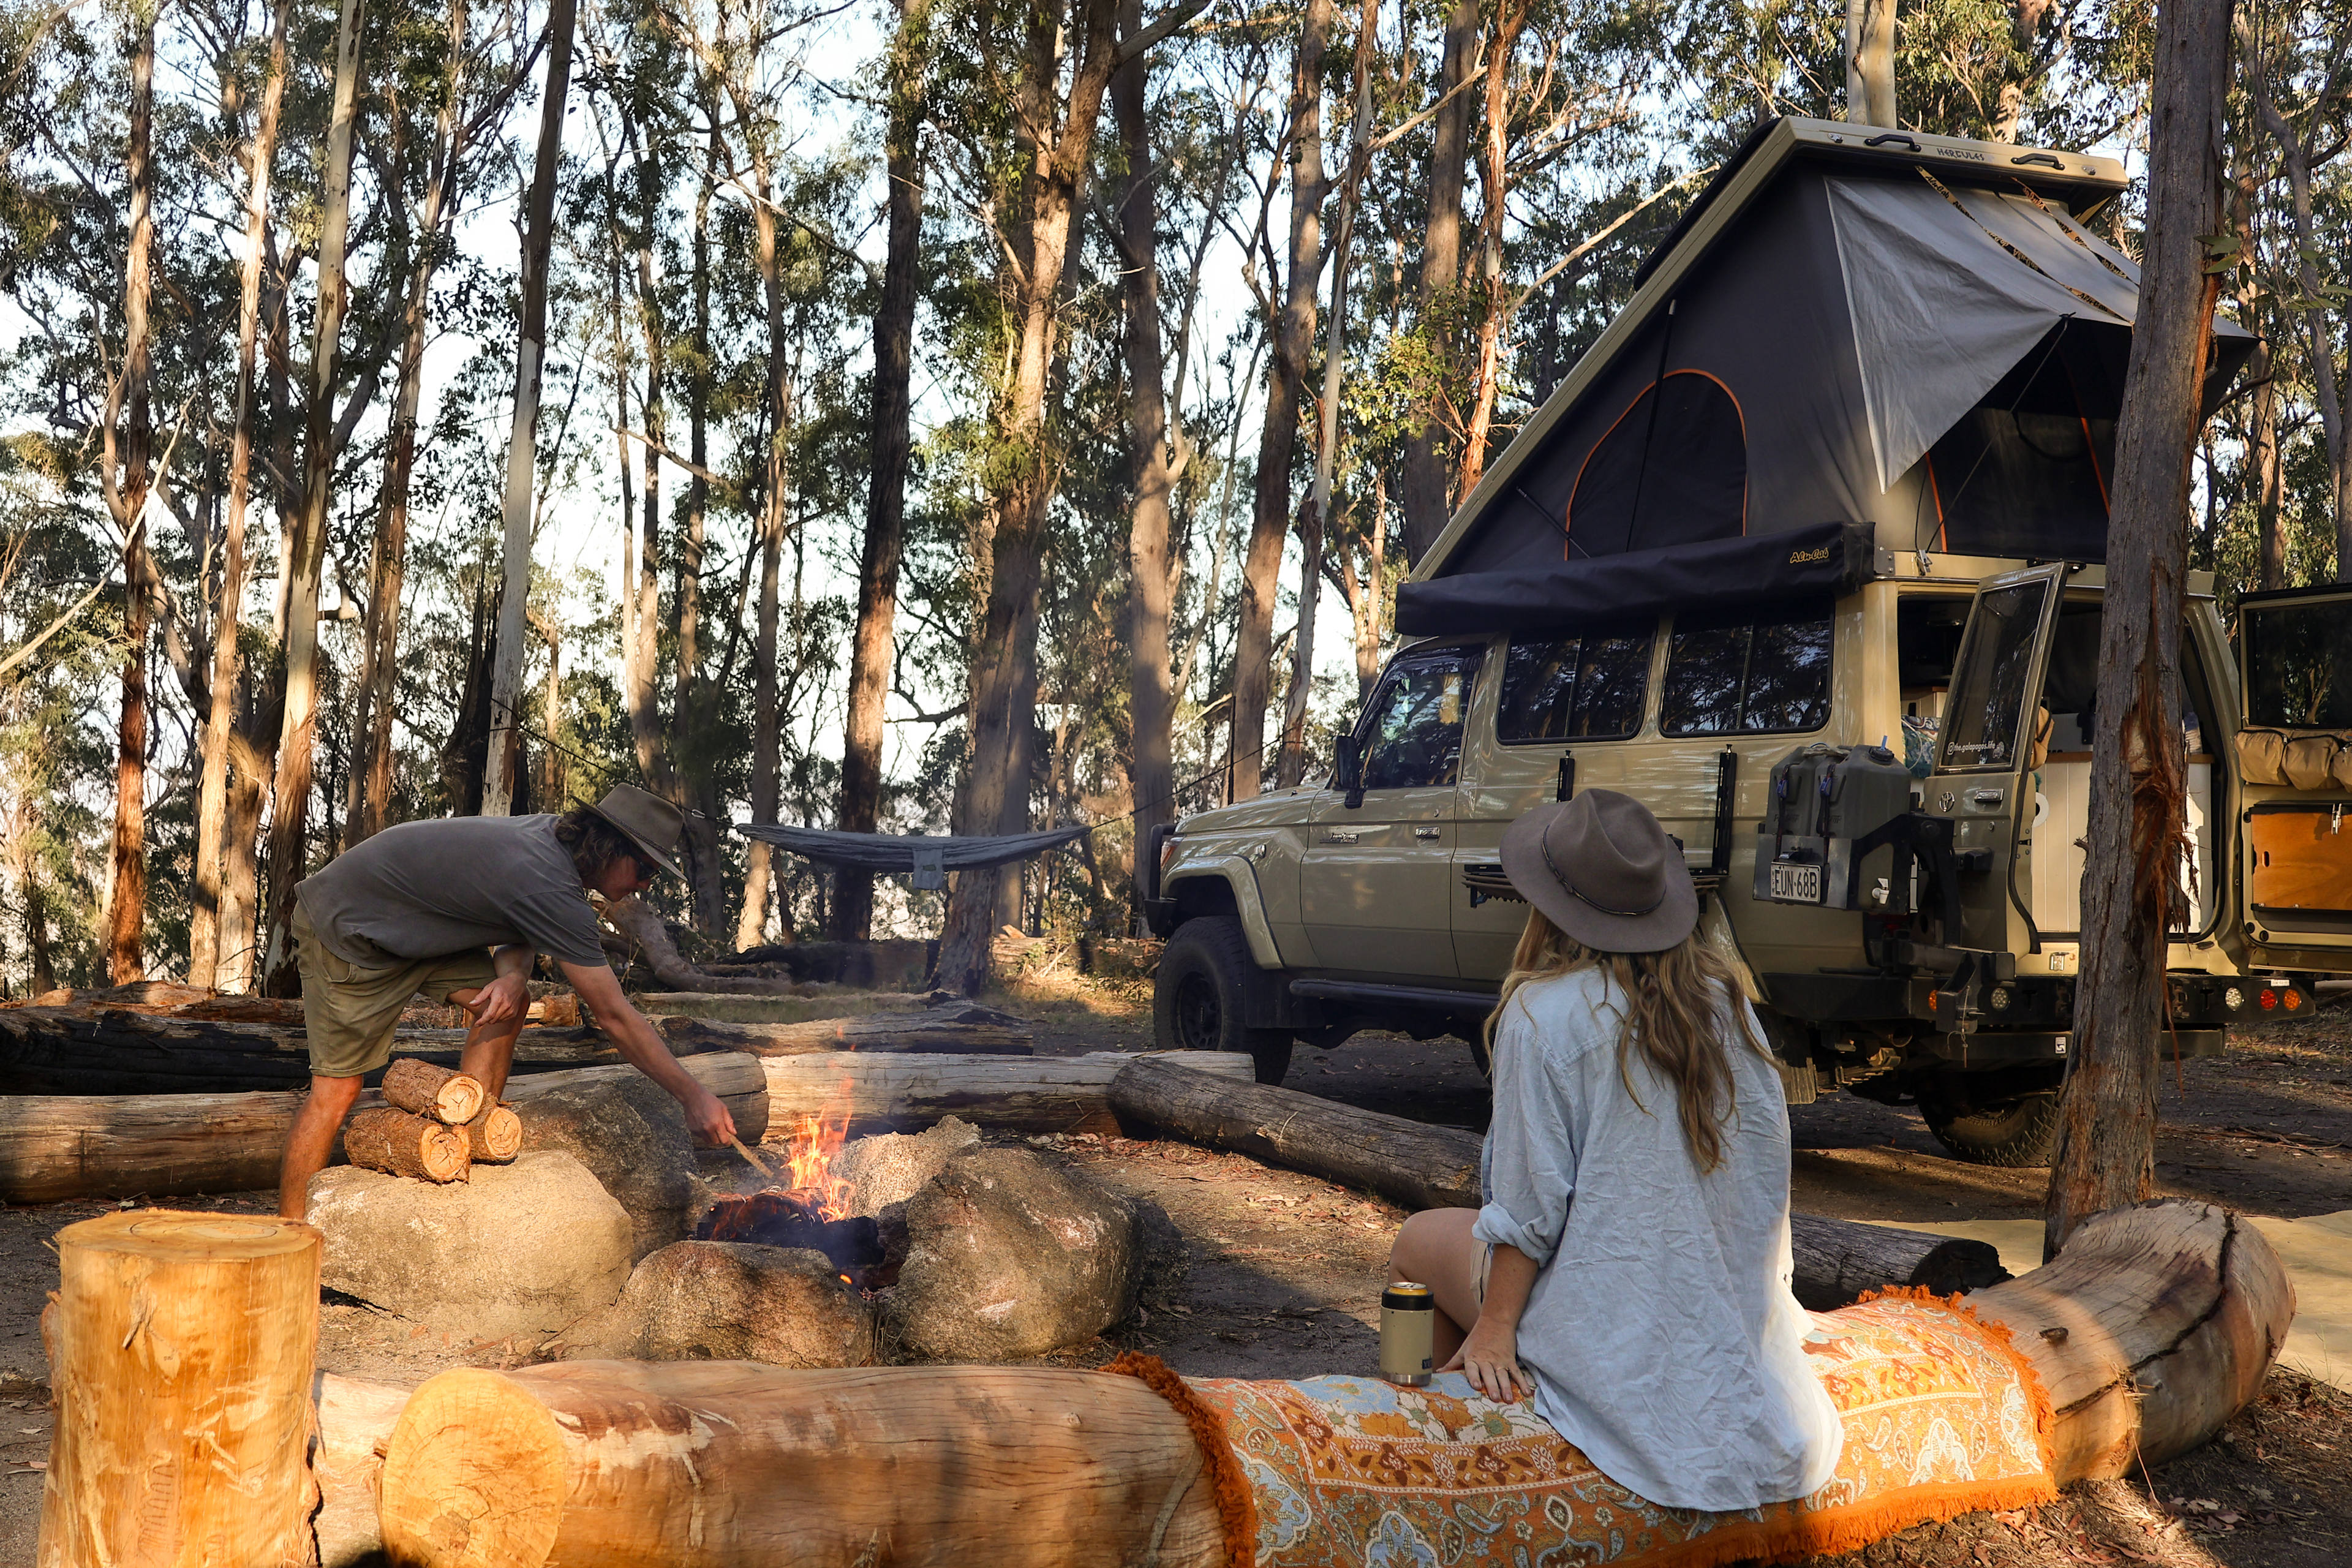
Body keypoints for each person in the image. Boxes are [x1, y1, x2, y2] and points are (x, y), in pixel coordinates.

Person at [1385, 788, 1842, 1513]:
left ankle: (1427, 1437)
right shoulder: (1725, 1000)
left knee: (1416, 1240)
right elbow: (1766, 1175)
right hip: (1720, 1312)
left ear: (1550, 904)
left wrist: (1498, 1327)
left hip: (1602, 1324)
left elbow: (1531, 1207)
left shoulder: (1543, 1014)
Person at [276, 785, 739, 1218]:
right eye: (646, 871)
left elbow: (517, 922)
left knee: (504, 1004)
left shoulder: (555, 846)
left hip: (421, 929)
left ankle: (462, 1151)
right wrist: (693, 1096)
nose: (645, 886)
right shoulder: (550, 880)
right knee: (336, 1092)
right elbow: (614, 1015)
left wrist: (514, 976)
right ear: (611, 848)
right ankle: (290, 1239)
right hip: (346, 925)